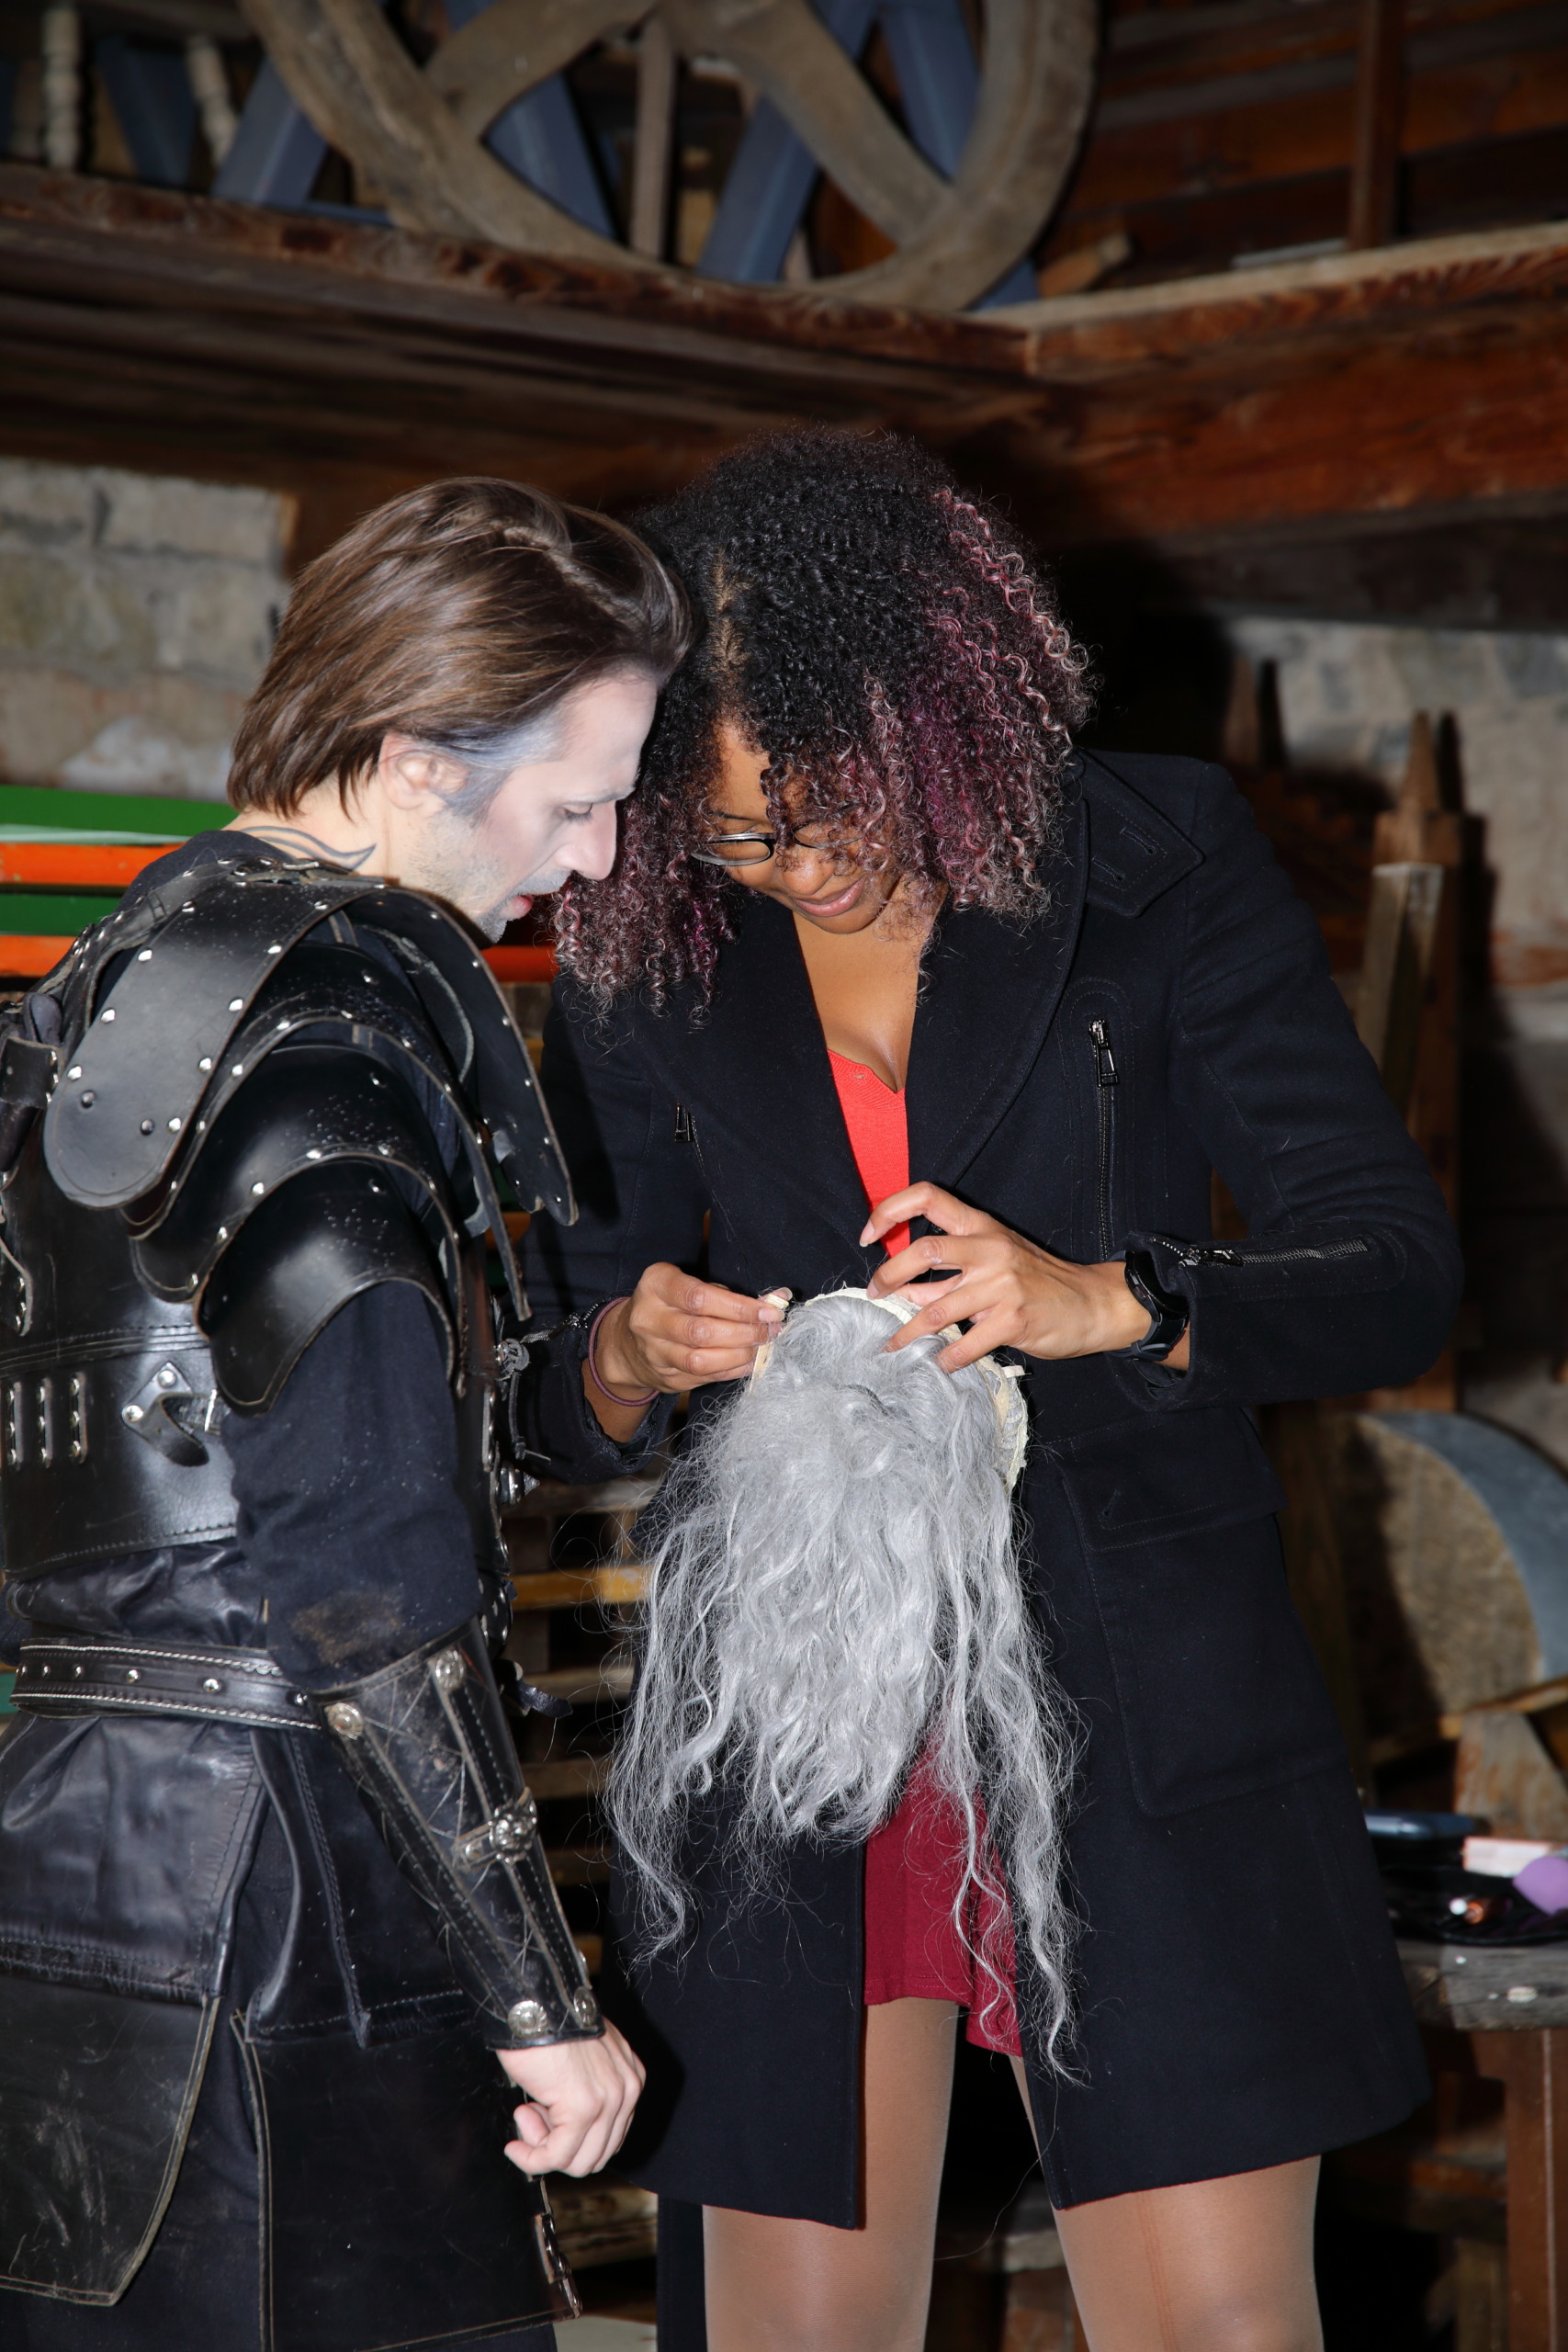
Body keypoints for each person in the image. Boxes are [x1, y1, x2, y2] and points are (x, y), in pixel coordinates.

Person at [513, 429, 1465, 2352]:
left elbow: (1391, 1270)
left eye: (833, 814)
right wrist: (621, 1352)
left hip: (1139, 1686)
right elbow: (547, 1371)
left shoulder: (1153, 861)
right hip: (796, 1713)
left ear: (937, 716)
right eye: (741, 835)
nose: (794, 868)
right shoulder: (650, 930)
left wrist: (1111, 1298)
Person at [0, 476, 687, 2352]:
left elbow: (191, 1449)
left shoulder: (120, 979)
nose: (600, 858)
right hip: (288, 1897)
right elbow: (368, 1574)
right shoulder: (327, 1015)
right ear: (414, 758)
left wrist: (612, 1374)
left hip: (78, 1857)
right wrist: (541, 1998)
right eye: (578, 799)